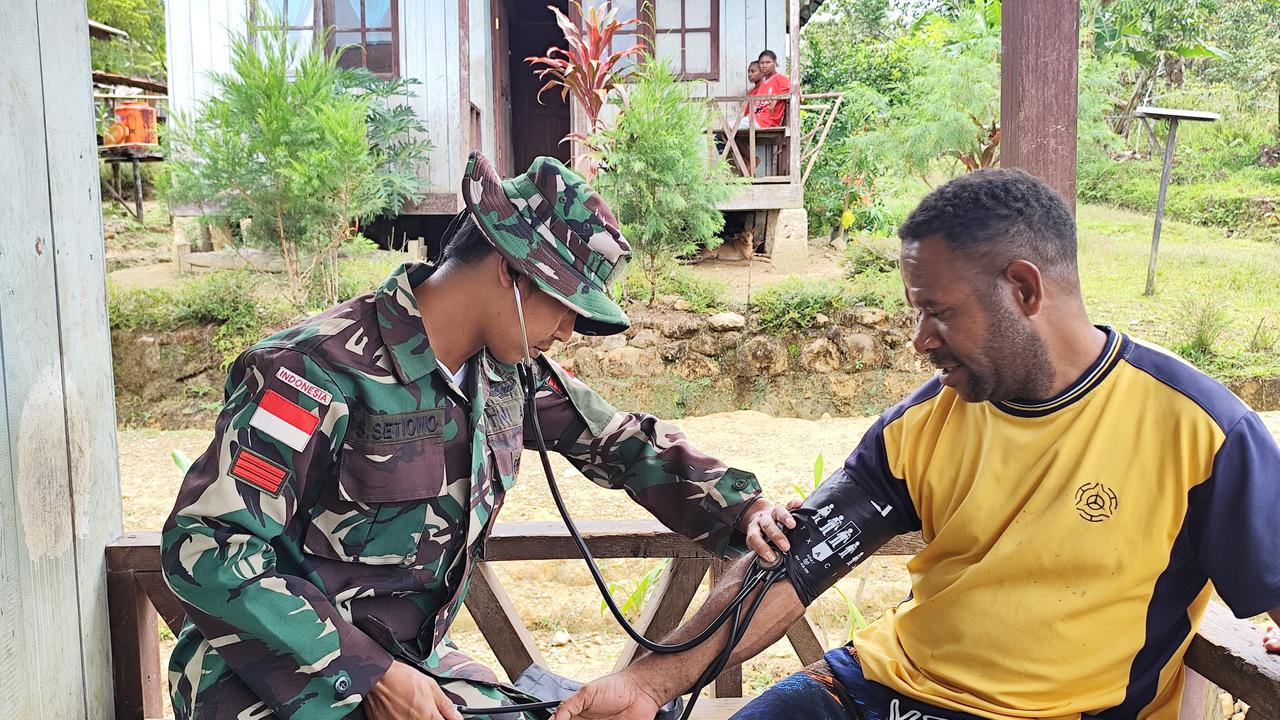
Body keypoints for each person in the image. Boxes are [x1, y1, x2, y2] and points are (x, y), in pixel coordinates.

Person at [551, 169, 1280, 720]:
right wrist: (648, 683)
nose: (918, 340)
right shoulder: (925, 422)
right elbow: (796, 562)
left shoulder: (1202, 431)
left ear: (1024, 289)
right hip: (886, 685)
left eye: (937, 312)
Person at [160, 152, 789, 720]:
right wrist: (371, 674)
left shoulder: (504, 376)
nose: (567, 332)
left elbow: (622, 442)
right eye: (565, 306)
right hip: (267, 681)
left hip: (410, 665)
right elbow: (210, 543)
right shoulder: (312, 372)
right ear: (511, 273)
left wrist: (744, 508)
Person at [751, 50, 790, 129]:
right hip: (756, 119)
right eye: (762, 63)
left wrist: (776, 98)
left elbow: (797, 93)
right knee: (729, 127)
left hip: (767, 122)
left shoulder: (780, 79)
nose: (765, 65)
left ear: (775, 62)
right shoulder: (763, 81)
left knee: (729, 127)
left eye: (768, 62)